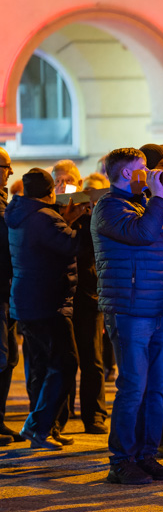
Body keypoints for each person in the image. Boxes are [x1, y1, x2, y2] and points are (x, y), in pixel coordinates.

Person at [92, 147, 163, 484]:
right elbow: (143, 234)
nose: (150, 173)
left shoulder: (146, 205)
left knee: (156, 387)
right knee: (133, 387)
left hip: (158, 308)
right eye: (143, 168)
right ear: (126, 174)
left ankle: (147, 455)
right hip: (129, 310)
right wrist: (159, 199)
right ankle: (121, 460)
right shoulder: (108, 207)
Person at [8, 168, 82, 449]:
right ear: (50, 191)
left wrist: (65, 220)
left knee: (44, 365)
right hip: (48, 302)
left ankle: (42, 428)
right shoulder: (45, 217)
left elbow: (45, 243)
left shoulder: (19, 213)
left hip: (26, 301)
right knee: (66, 363)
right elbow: (73, 245)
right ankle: (38, 426)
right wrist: (86, 220)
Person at [52, 160, 108, 435]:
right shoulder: (48, 215)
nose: (63, 186)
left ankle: (94, 414)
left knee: (92, 359)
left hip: (87, 294)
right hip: (59, 294)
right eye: (58, 181)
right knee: (63, 360)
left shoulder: (90, 214)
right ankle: (59, 418)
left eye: (67, 180)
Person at [0, 149, 20, 445]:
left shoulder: (5, 201)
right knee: (2, 357)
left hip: (8, 289)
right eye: (7, 166)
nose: (10, 172)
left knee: (9, 358)